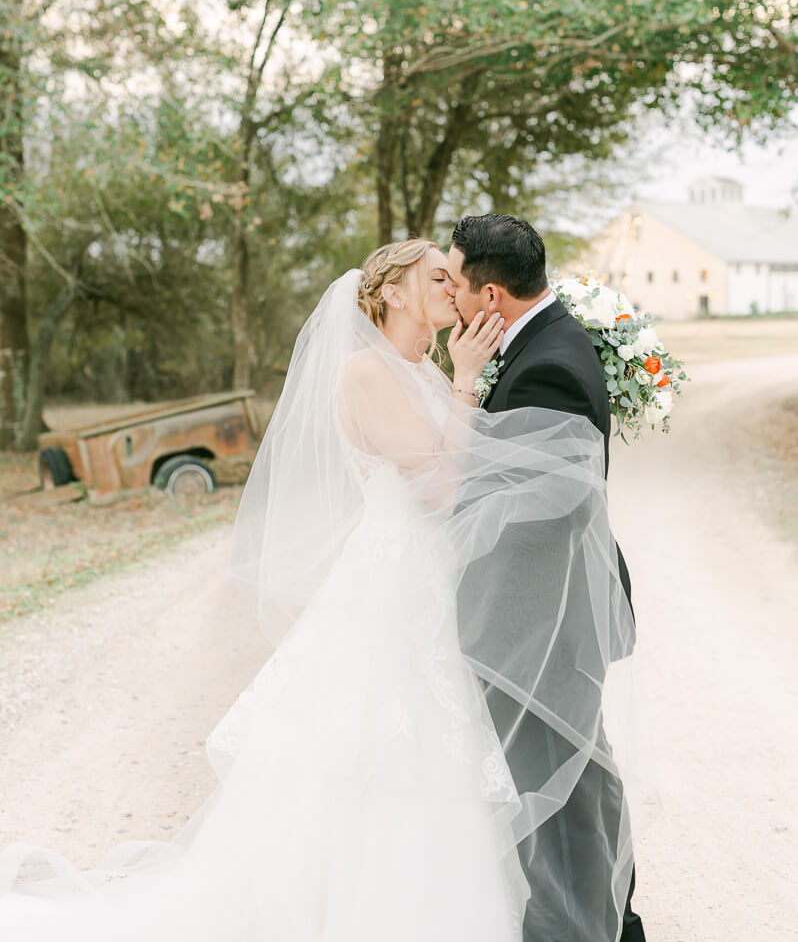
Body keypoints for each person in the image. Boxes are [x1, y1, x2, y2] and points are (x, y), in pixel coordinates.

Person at [0, 238, 636, 942]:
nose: (452, 287)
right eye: (437, 276)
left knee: (452, 750)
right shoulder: (369, 373)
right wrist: (464, 384)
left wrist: (464, 385)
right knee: (384, 749)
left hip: (446, 585)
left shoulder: (427, 367)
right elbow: (443, 489)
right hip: (396, 583)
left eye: (454, 277)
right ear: (393, 292)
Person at [448, 213, 645, 942]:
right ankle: (613, 922)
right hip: (541, 616)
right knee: (580, 778)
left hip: (540, 619)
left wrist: (451, 512)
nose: (455, 301)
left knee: (552, 793)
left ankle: (576, 928)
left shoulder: (549, 363)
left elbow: (557, 503)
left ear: (491, 293)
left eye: (457, 282)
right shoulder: (539, 339)